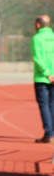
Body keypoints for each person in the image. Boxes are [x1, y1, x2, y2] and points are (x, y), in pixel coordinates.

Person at [31, 15, 54, 143]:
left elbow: (37, 58)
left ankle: (48, 133)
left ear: (38, 24)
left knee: (44, 105)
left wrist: (47, 73)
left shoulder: (37, 38)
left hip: (42, 77)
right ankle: (52, 132)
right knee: (52, 104)